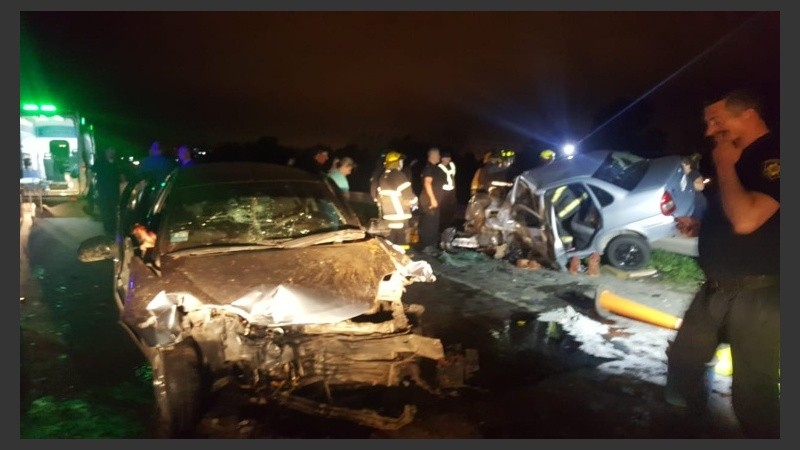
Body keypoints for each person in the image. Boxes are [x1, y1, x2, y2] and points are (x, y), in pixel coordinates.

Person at [666, 89, 779, 438]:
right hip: (716, 290)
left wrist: (725, 165)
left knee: (753, 393)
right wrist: (703, 226)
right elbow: (735, 219)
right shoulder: (739, 157)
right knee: (684, 360)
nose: (709, 131)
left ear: (747, 114)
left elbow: (746, 219)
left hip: (759, 297)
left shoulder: (774, 156)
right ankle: (688, 427)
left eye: (716, 121)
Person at [376, 151, 417, 248]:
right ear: (397, 162)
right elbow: (409, 196)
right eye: (401, 161)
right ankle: (403, 259)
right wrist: (415, 202)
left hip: (388, 213)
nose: (402, 163)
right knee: (401, 240)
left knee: (391, 240)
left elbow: (379, 196)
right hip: (400, 213)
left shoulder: (383, 176)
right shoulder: (398, 175)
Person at [91, 146, 124, 235]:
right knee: (105, 210)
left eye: (113, 150)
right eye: (110, 150)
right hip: (103, 190)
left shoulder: (117, 162)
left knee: (114, 210)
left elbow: (121, 175)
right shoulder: (100, 161)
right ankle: (108, 229)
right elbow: (93, 170)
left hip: (114, 191)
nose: (112, 152)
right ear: (106, 151)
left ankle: (113, 228)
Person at [418, 147, 444, 255]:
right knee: (429, 223)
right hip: (429, 201)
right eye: (438, 154)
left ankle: (430, 245)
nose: (439, 157)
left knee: (432, 222)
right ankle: (427, 246)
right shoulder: (429, 168)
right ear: (433, 156)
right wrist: (433, 199)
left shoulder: (435, 168)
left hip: (434, 201)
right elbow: (427, 183)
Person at [681, 153, 708, 220]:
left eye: (682, 164)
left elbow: (701, 186)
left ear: (688, 165)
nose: (681, 166)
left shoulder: (694, 173)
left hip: (697, 205)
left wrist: (687, 184)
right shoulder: (683, 175)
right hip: (690, 206)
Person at [437, 151, 458, 233]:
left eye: (449, 157)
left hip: (452, 193)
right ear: (442, 158)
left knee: (451, 210)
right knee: (443, 211)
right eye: (446, 157)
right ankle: (441, 228)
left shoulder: (452, 166)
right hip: (443, 193)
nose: (448, 159)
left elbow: (453, 177)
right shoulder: (439, 168)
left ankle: (449, 227)